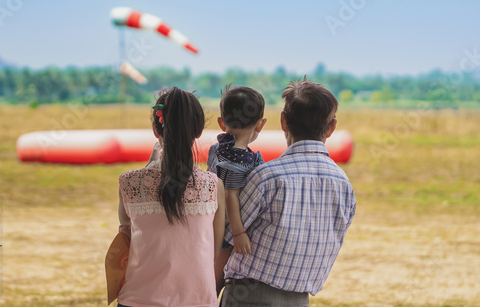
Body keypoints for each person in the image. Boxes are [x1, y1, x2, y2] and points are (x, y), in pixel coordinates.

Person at [220, 78, 357, 306]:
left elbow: (225, 236)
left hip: (249, 297)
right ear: (331, 128)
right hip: (300, 299)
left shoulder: (266, 177)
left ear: (283, 121)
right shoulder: (344, 185)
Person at [116, 87, 226, 307]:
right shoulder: (213, 186)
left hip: (138, 300)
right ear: (197, 131)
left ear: (156, 131)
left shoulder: (129, 184)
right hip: (198, 300)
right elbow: (214, 251)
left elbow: (125, 237)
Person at [206, 86, 266, 294]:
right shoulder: (239, 159)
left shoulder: (218, 148)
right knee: (214, 282)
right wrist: (239, 233)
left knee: (210, 277)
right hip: (227, 229)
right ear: (260, 124)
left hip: (210, 217)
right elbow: (231, 196)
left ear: (222, 123)